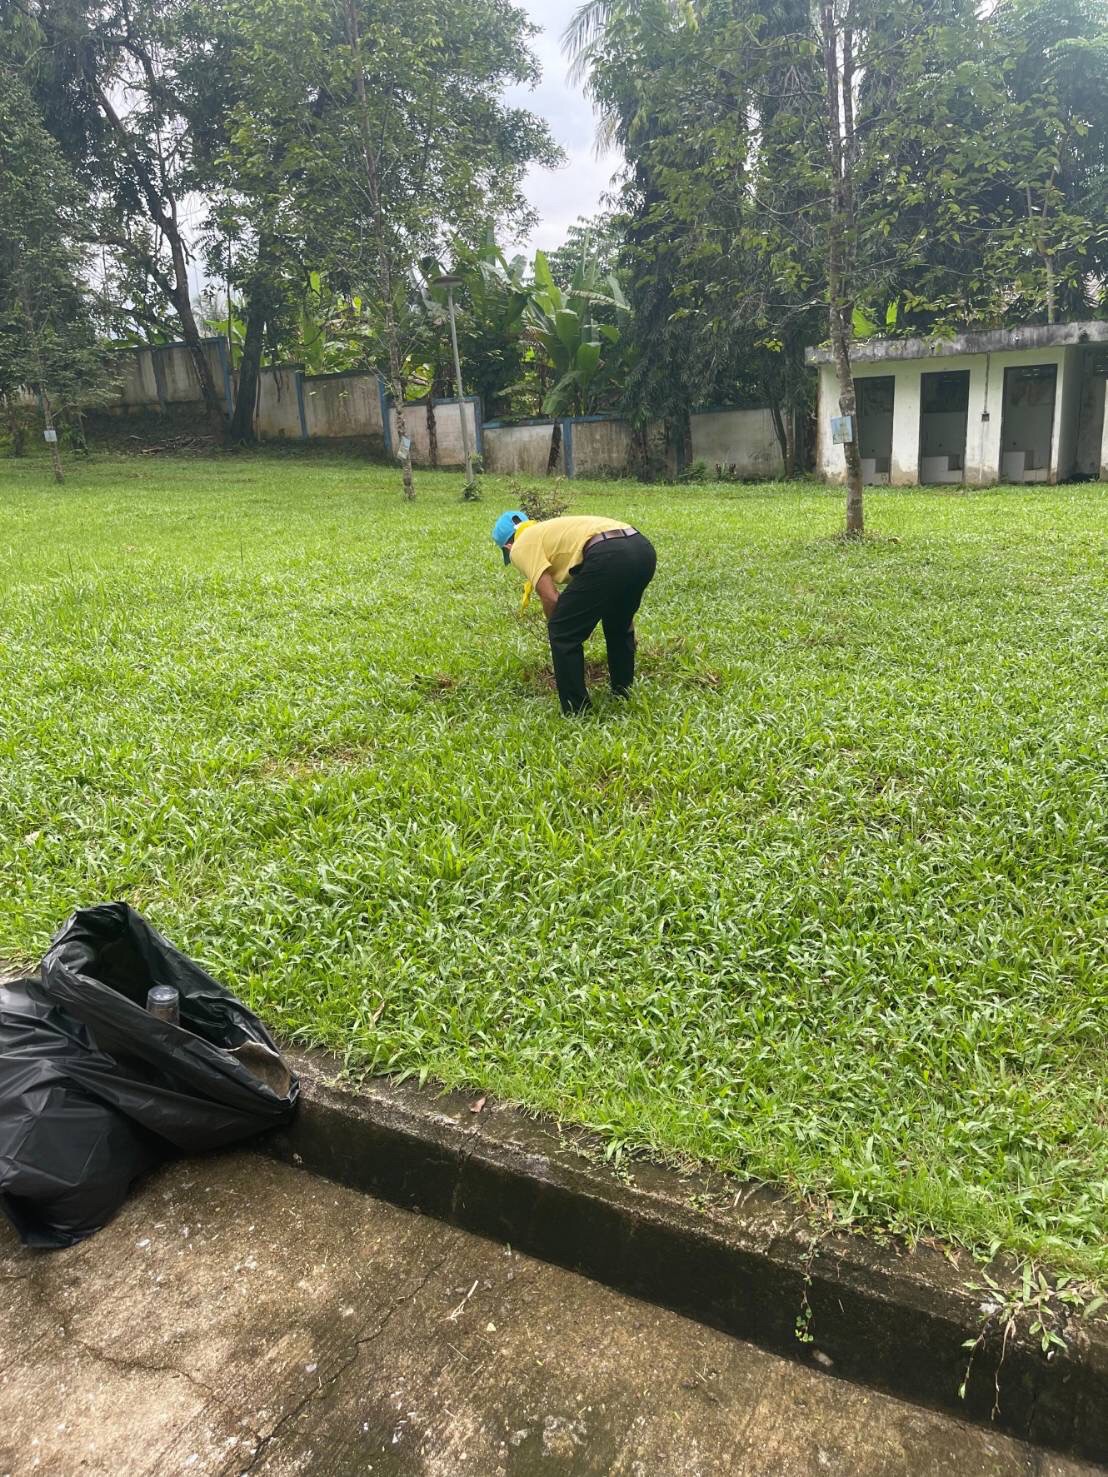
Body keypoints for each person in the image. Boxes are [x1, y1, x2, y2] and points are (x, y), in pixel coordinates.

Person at [492, 510, 657, 715]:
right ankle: (623, 692)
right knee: (619, 623)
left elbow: (550, 597)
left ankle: (577, 711)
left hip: (608, 554)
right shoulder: (547, 530)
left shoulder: (521, 545)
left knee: (562, 630)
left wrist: (561, 629)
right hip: (641, 548)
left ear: (508, 547)